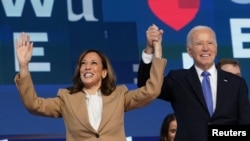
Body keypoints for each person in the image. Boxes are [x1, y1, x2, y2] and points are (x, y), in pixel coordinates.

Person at [14, 32, 167, 141]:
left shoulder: (119, 95)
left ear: (104, 72)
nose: (87, 67)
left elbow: (151, 91)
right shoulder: (66, 98)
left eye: (94, 63)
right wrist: (23, 66)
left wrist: (156, 51)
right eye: (83, 64)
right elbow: (33, 104)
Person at [137, 24, 250, 141]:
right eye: (199, 43)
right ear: (189, 50)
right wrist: (150, 49)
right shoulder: (178, 79)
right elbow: (146, 85)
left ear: (216, 48)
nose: (205, 48)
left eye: (210, 43)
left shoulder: (236, 83)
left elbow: (245, 124)